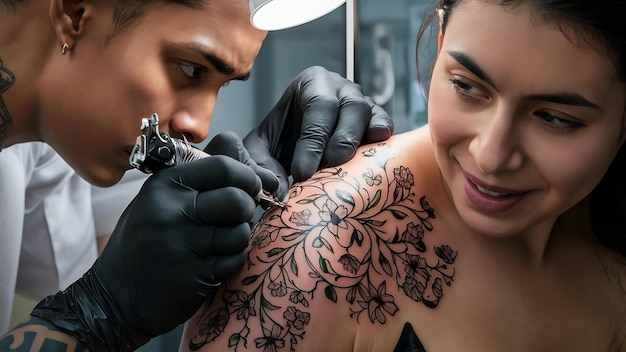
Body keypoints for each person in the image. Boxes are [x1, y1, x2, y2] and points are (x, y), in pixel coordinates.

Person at [179, 0, 626, 351]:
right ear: (441, 36)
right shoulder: (324, 245)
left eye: (554, 118)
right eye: (467, 86)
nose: (489, 156)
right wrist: (108, 309)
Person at [0, 0, 394, 350]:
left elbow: (120, 251)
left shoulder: (56, 139)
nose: (200, 126)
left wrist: (240, 197)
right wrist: (98, 311)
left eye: (221, 85)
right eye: (190, 69)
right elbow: (105, 290)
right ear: (75, 13)